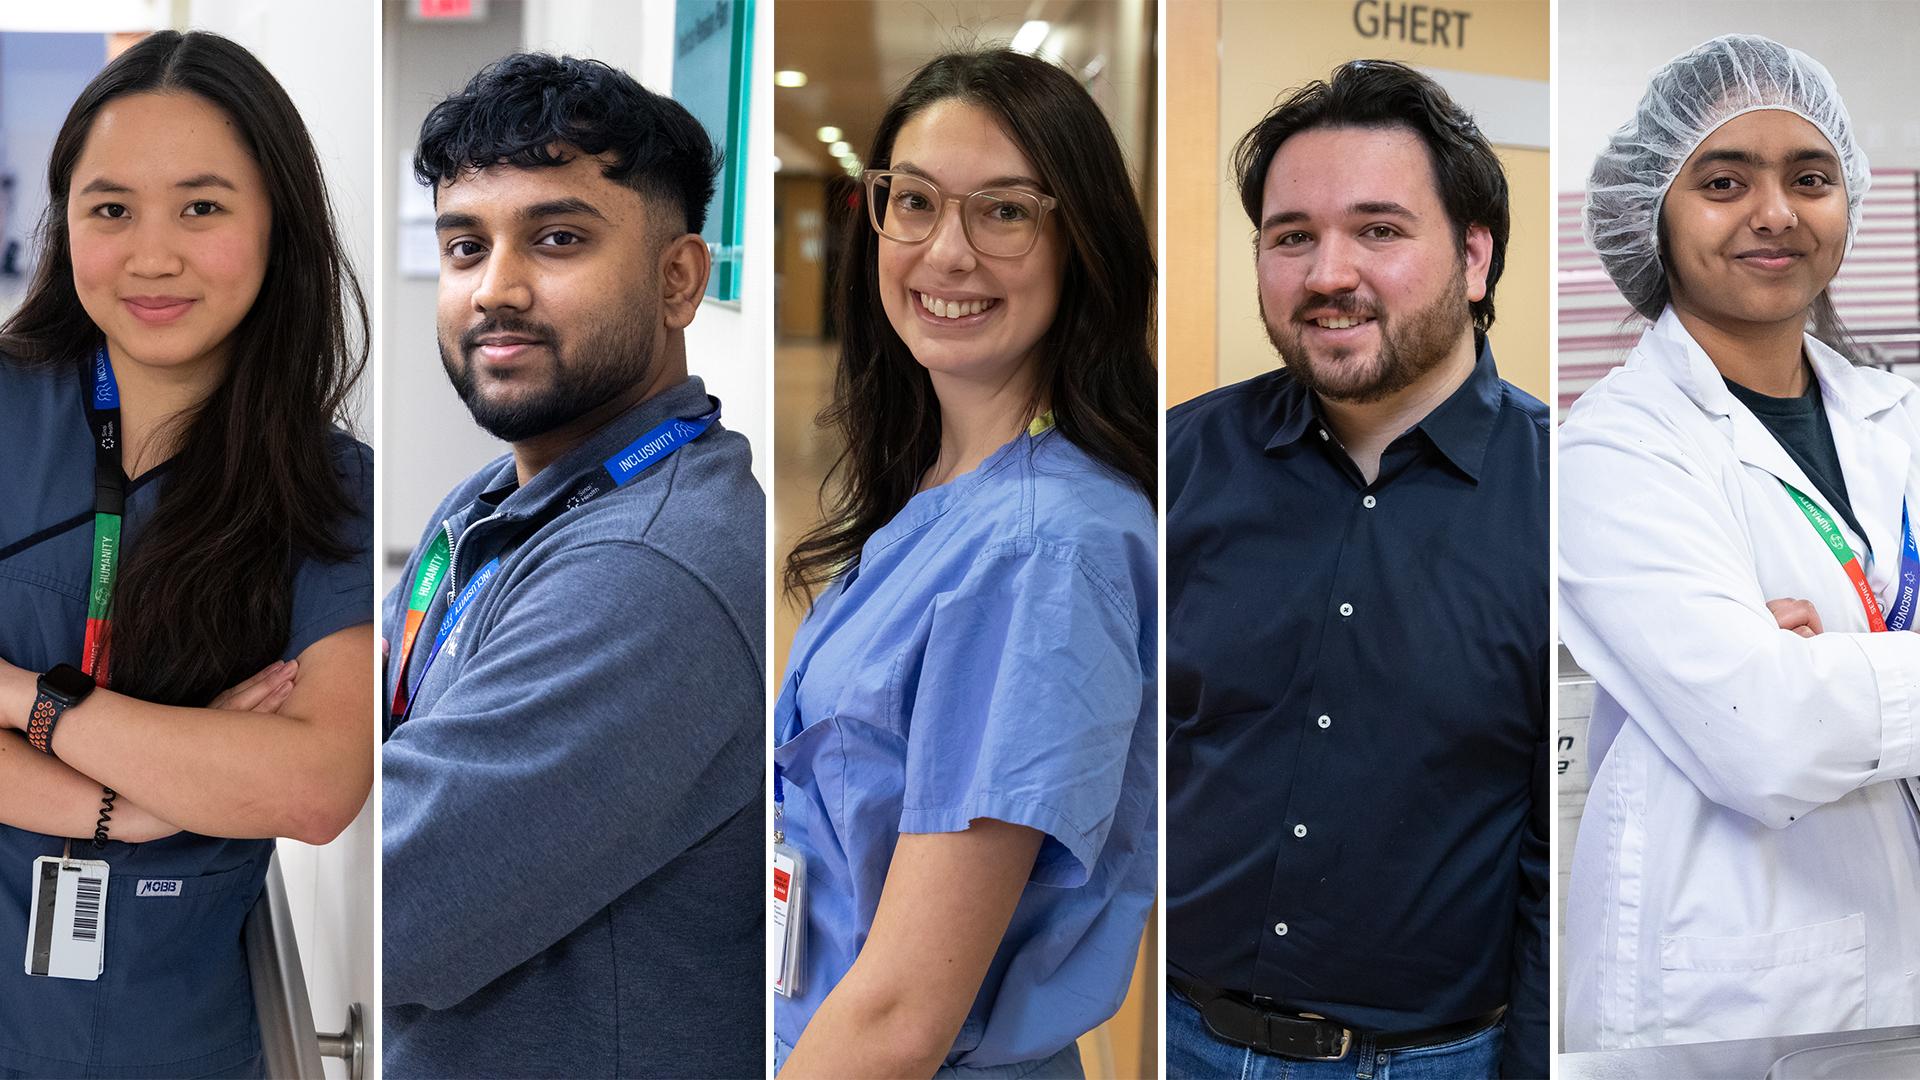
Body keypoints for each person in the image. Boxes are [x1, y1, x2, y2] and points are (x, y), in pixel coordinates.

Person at [773, 48, 1157, 1080]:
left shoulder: (1041, 551)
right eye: (915, 203)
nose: (947, 253)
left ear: (1082, 244)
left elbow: (904, 1015)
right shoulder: (940, 481)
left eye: (1004, 212)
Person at [379, 53, 764, 1078]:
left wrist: (235, 783)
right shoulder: (497, 497)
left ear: (680, 279)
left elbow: (389, 904)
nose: (494, 290)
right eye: (466, 246)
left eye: (556, 239)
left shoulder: (650, 572)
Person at [0, 30, 373, 1079]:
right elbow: (254, 783)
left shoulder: (328, 489)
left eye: (202, 207)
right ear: (65, 218)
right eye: (110, 209)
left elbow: (313, 785)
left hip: (181, 1044)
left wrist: (29, 700)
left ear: (276, 225)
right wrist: (144, 801)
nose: (150, 255)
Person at [1165, 60, 1549, 1079]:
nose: (1328, 273)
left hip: (1431, 1062)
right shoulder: (1178, 466)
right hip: (1183, 1037)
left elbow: (1568, 853)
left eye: (1379, 230)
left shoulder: (1573, 499)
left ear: (1474, 257)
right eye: (1292, 236)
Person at [1561, 33, 1920, 1050]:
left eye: (1811, 177)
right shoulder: (1615, 448)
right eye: (1724, 180)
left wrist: (1832, 665)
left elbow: (1800, 704)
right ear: (1656, 218)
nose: (1776, 212)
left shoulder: (1899, 416)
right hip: (1729, 994)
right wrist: (1781, 688)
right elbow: (1770, 736)